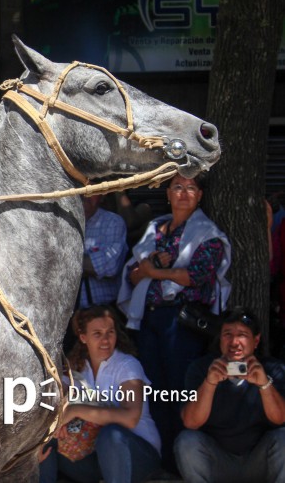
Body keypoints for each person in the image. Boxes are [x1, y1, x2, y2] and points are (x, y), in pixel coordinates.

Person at [117, 174, 231, 473]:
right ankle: (164, 461)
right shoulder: (156, 229)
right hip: (149, 317)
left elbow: (197, 276)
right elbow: (133, 273)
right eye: (177, 187)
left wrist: (154, 272)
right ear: (167, 193)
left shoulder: (207, 233)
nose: (183, 193)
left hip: (181, 322)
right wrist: (151, 266)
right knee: (155, 391)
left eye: (190, 187)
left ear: (200, 195)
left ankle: (188, 462)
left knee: (181, 390)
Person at [39, 305, 161, 483]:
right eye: (97, 334)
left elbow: (130, 418)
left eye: (110, 332)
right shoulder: (76, 366)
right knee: (47, 440)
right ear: (83, 337)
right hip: (93, 456)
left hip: (137, 456)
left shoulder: (127, 365)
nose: (105, 340)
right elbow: (56, 406)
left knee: (111, 435)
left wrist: (75, 410)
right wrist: (56, 425)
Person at [175, 308, 285, 483]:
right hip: (218, 461)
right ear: (220, 338)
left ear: (255, 340)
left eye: (242, 334)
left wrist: (264, 384)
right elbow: (191, 422)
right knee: (186, 441)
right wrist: (209, 383)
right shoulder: (201, 368)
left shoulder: (272, 369)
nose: (234, 342)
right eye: (227, 334)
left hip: (259, 461)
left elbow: (280, 419)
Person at [79, 194, 127, 308]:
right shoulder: (63, 222)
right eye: (82, 190)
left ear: (102, 196)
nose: (86, 196)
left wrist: (65, 263)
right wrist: (87, 264)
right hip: (67, 314)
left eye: (92, 191)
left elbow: (110, 266)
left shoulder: (113, 222)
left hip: (102, 310)